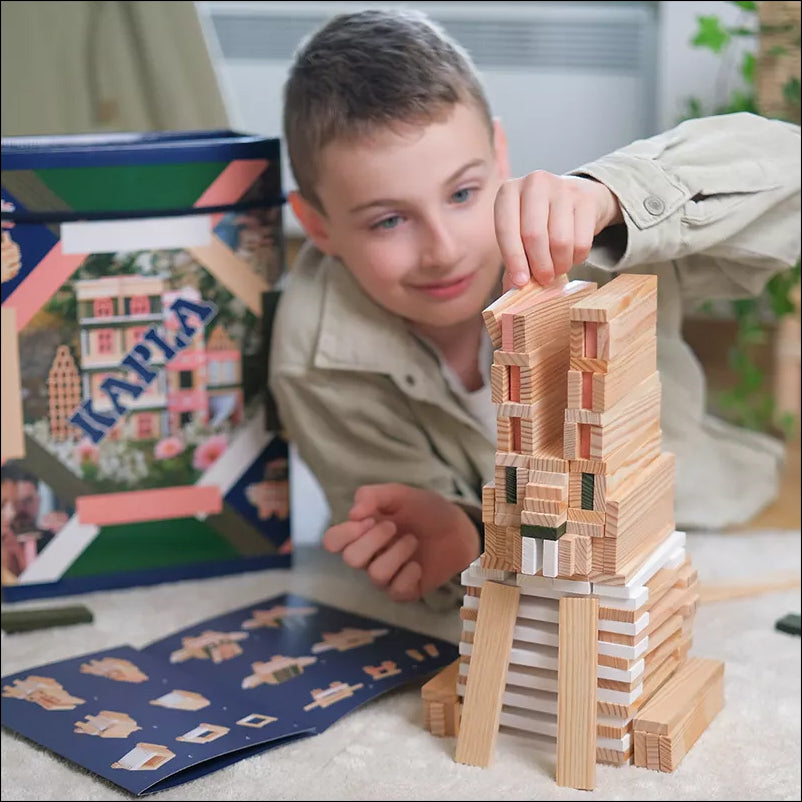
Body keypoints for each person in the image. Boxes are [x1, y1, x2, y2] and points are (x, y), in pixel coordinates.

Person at [269, 9, 801, 605]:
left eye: (464, 193)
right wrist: (464, 531)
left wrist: (612, 196)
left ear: (500, 154)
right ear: (317, 225)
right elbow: (414, 535)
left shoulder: (588, 233)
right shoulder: (311, 357)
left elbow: (792, 172)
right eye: (389, 220)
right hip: (524, 568)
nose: (442, 251)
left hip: (691, 518)